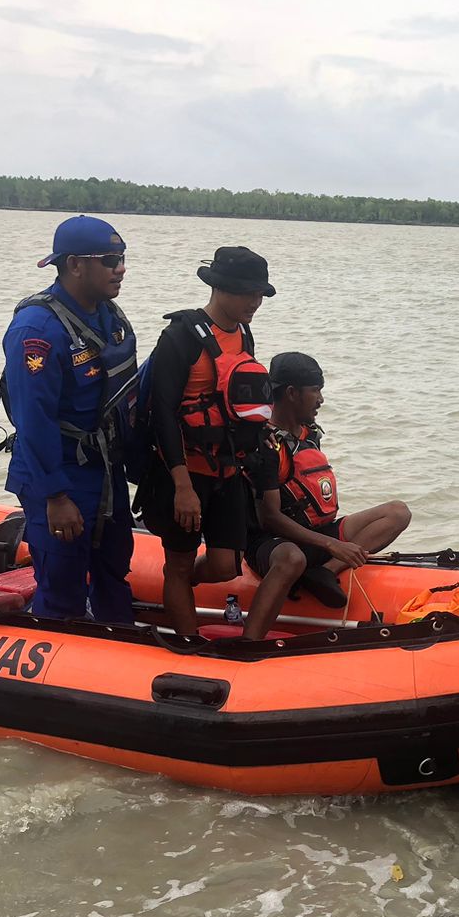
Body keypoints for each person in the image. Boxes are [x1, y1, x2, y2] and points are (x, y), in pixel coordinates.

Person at [137, 247, 279, 638]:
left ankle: (175, 586)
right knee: (180, 562)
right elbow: (161, 414)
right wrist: (182, 486)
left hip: (228, 471)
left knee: (224, 566)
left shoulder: (243, 334)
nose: (255, 302)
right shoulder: (180, 336)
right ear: (220, 288)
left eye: (260, 295)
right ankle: (188, 641)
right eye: (248, 293)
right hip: (182, 473)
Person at [1, 216, 137, 623]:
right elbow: (33, 419)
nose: (121, 268)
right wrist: (56, 497)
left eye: (123, 258)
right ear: (75, 264)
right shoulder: (37, 328)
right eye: (110, 259)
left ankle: (120, 660)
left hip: (105, 472)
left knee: (115, 572)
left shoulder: (109, 317)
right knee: (62, 587)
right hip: (58, 474)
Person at [246, 351, 411, 626]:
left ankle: (323, 573)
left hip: (315, 534)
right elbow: (269, 518)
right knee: (292, 557)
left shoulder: (309, 434)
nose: (321, 400)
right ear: (291, 393)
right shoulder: (266, 443)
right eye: (315, 391)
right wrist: (332, 544)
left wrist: (330, 546)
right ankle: (249, 642)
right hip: (271, 543)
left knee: (398, 512)